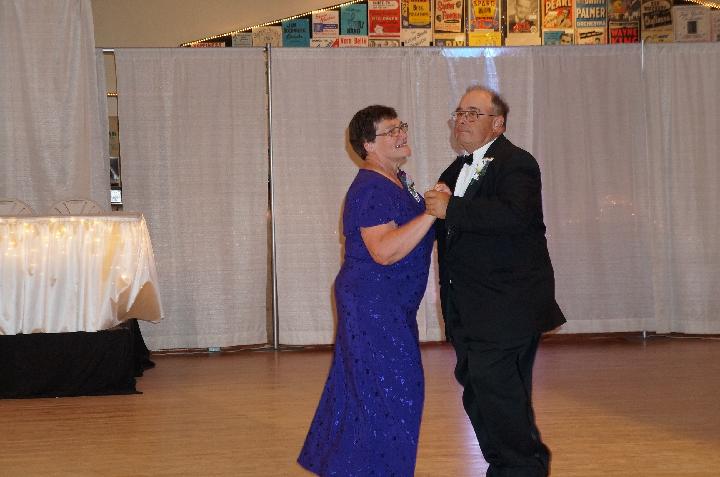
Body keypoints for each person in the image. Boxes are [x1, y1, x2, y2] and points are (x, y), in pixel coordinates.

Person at [424, 85, 566, 477]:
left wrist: (451, 207)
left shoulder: (517, 163)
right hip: (468, 312)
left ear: (498, 124)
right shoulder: (454, 171)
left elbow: (514, 217)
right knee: (481, 396)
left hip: (507, 310)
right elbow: (448, 230)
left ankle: (521, 469)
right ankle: (510, 468)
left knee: (500, 398)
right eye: (460, 113)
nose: (463, 120)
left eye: (474, 113)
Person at [298, 105, 436, 476]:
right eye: (391, 131)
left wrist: (430, 206)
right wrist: (430, 213)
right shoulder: (370, 188)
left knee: (368, 394)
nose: (402, 134)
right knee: (395, 394)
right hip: (372, 305)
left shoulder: (396, 180)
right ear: (368, 145)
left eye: (401, 126)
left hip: (388, 304)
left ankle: (348, 467)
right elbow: (384, 251)